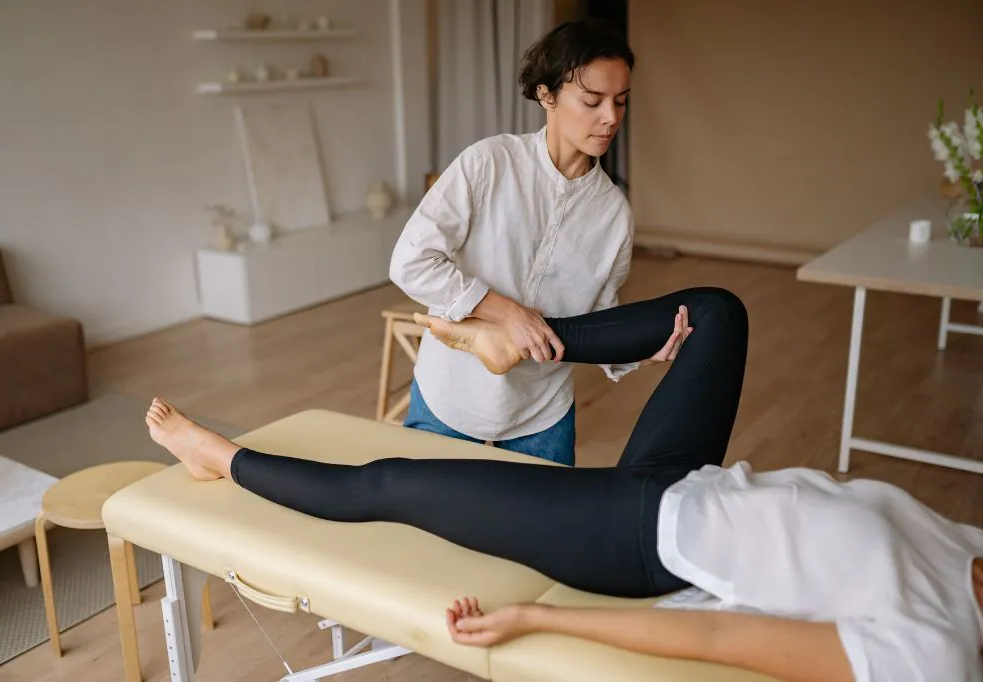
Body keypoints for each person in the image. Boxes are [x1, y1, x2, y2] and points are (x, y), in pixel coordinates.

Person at [146, 286, 982, 682]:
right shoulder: (969, 551)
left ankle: (218, 458)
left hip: (636, 540)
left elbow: (719, 639)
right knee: (719, 314)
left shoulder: (935, 654)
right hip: (693, 482)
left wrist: (535, 617)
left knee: (394, 483)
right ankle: (509, 340)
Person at [388, 18, 684, 466]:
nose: (611, 117)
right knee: (422, 512)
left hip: (541, 414)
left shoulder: (613, 214)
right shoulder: (489, 163)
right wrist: (507, 312)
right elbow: (410, 262)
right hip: (448, 397)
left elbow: (599, 314)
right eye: (592, 101)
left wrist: (640, 350)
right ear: (547, 95)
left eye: (621, 101)